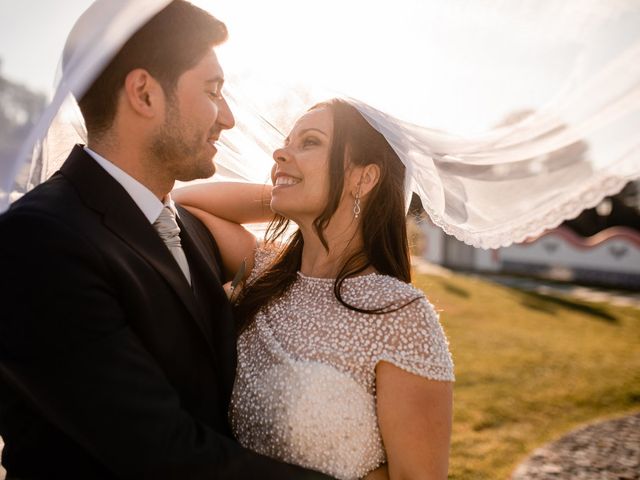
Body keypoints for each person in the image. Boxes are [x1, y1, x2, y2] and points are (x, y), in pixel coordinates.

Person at [0, 2, 333, 479]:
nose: (229, 119)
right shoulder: (37, 241)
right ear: (144, 93)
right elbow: (161, 455)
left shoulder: (189, 227)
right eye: (214, 91)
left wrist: (324, 193)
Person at [174, 99, 455, 480]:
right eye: (287, 142)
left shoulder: (400, 315)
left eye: (309, 142)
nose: (280, 153)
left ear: (364, 178)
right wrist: (291, 193)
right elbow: (182, 201)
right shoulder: (261, 271)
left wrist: (304, 193)